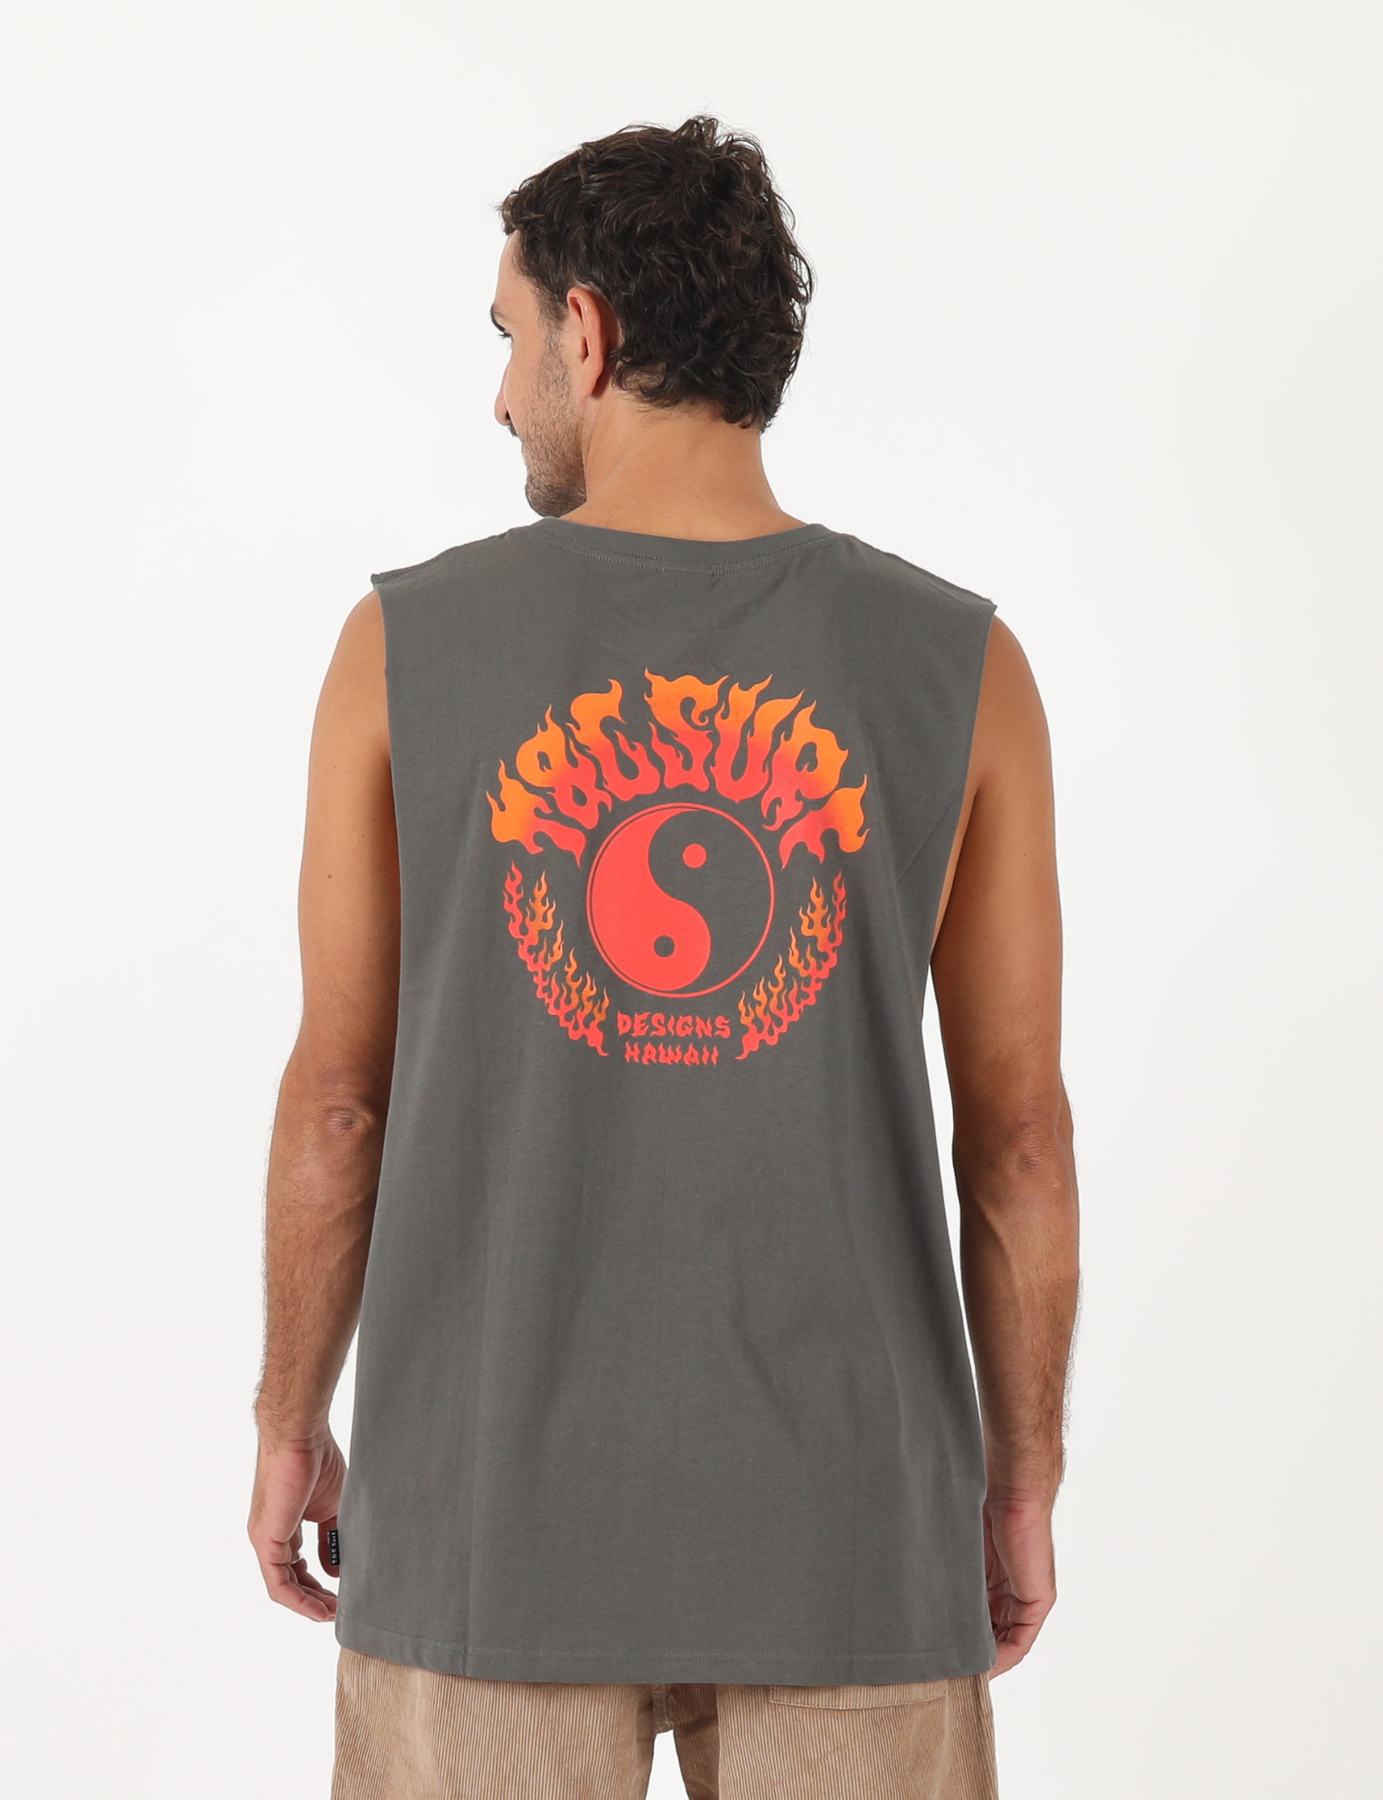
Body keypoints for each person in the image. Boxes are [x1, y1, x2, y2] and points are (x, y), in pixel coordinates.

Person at [248, 115, 1079, 1800]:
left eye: (508, 335)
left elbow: (340, 1102)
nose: (502, 397)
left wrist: (288, 1423)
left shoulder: (398, 649)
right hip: (855, 1538)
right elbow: (1018, 1143)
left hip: (482, 1530)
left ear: (589, 330)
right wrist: (1020, 1479)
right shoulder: (965, 665)